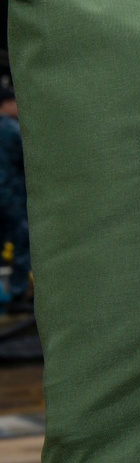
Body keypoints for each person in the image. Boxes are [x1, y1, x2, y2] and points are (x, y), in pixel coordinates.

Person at [0, 87, 31, 312]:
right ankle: (18, 295)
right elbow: (30, 163)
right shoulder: (12, 130)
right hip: (13, 199)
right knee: (22, 245)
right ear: (6, 104)